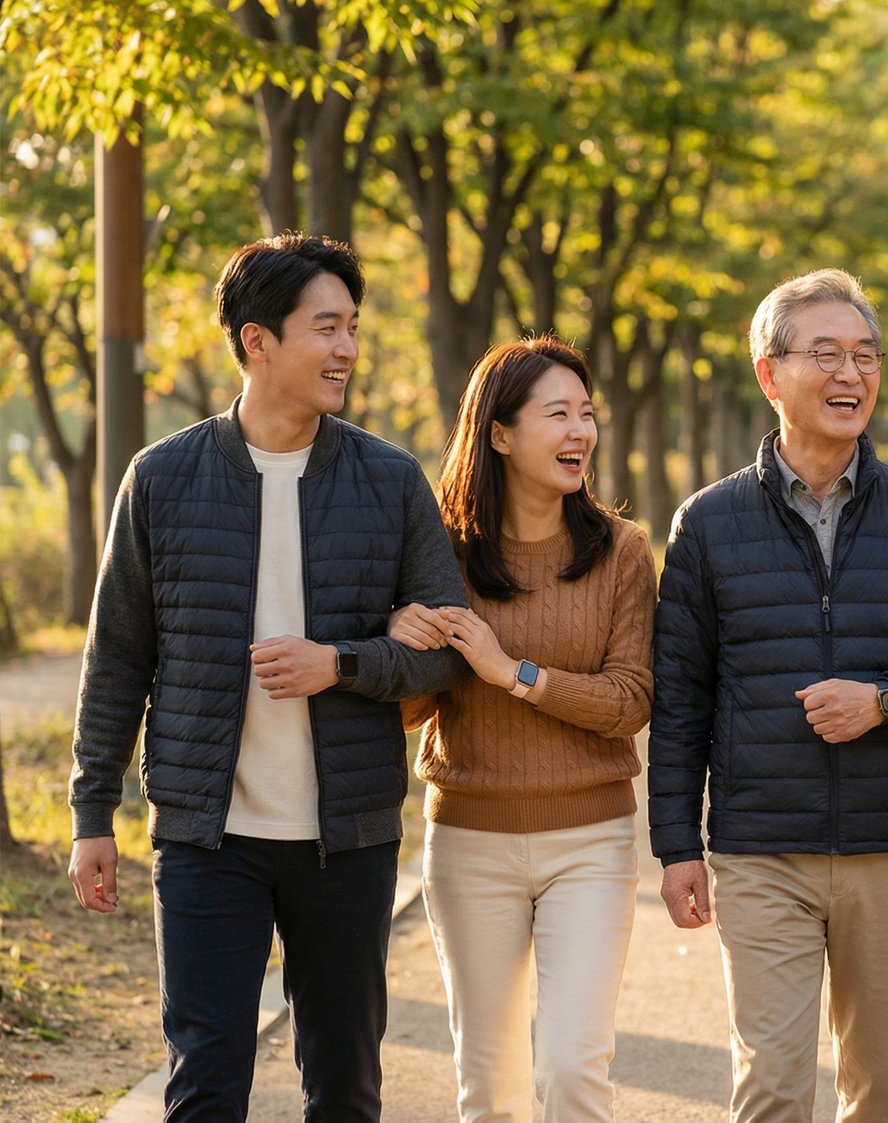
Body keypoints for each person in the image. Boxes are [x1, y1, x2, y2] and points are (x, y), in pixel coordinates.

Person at [66, 231, 469, 1122]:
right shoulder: (162, 479)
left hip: (348, 842)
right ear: (258, 340)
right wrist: (93, 810)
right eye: (327, 327)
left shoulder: (390, 480)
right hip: (208, 841)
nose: (348, 350)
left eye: (353, 327)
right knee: (206, 1078)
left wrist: (346, 661)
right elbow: (119, 656)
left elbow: (449, 649)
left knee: (345, 1086)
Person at [648, 268, 888, 1123]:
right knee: (771, 1082)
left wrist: (883, 700)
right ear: (770, 374)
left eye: (867, 356)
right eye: (827, 354)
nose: (852, 375)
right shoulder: (709, 520)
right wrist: (675, 844)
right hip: (761, 846)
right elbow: (682, 695)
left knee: (881, 1089)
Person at [387, 338, 654, 1123]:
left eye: (587, 413)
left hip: (592, 839)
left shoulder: (622, 552)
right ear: (500, 433)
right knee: (490, 1085)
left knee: (573, 1070)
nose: (581, 432)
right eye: (558, 414)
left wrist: (516, 673)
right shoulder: (439, 551)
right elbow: (407, 716)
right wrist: (401, 646)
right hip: (469, 840)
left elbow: (631, 699)